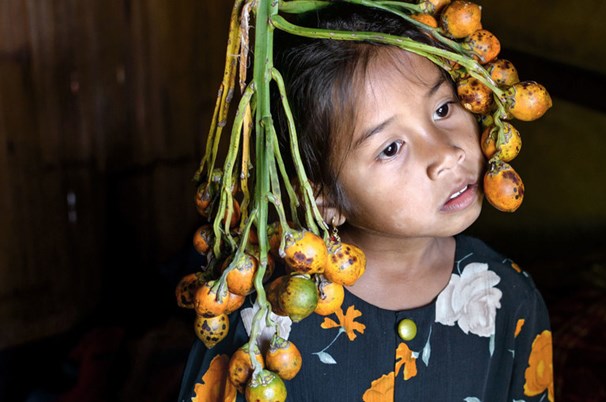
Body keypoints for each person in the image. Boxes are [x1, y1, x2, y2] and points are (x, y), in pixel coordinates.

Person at [179, 4, 553, 401]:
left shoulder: (507, 297)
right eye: (391, 148)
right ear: (320, 197)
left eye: (443, 109)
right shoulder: (265, 329)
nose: (446, 154)